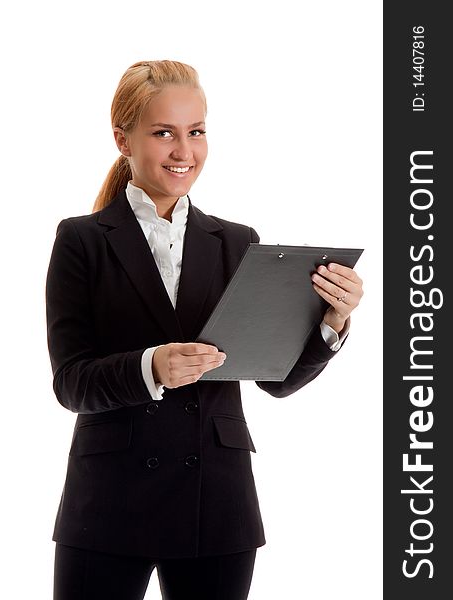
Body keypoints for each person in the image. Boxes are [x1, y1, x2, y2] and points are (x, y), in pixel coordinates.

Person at [45, 60, 363, 600]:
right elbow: (70, 383)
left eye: (196, 132)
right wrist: (151, 367)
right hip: (108, 499)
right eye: (163, 133)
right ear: (123, 139)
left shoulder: (238, 243)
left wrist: (332, 321)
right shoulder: (82, 240)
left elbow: (276, 379)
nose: (183, 152)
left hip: (215, 500)